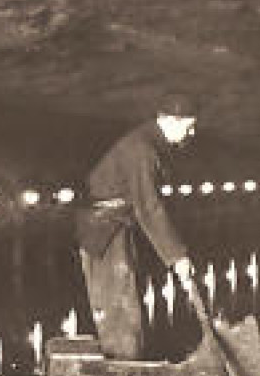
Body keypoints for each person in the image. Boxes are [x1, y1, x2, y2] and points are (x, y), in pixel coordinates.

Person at [74, 94, 200, 359]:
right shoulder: (142, 150)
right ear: (168, 120)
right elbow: (149, 207)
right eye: (188, 126)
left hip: (114, 224)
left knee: (126, 300)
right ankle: (123, 373)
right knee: (118, 306)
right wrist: (177, 258)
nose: (192, 132)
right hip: (104, 230)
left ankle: (126, 365)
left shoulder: (148, 144)